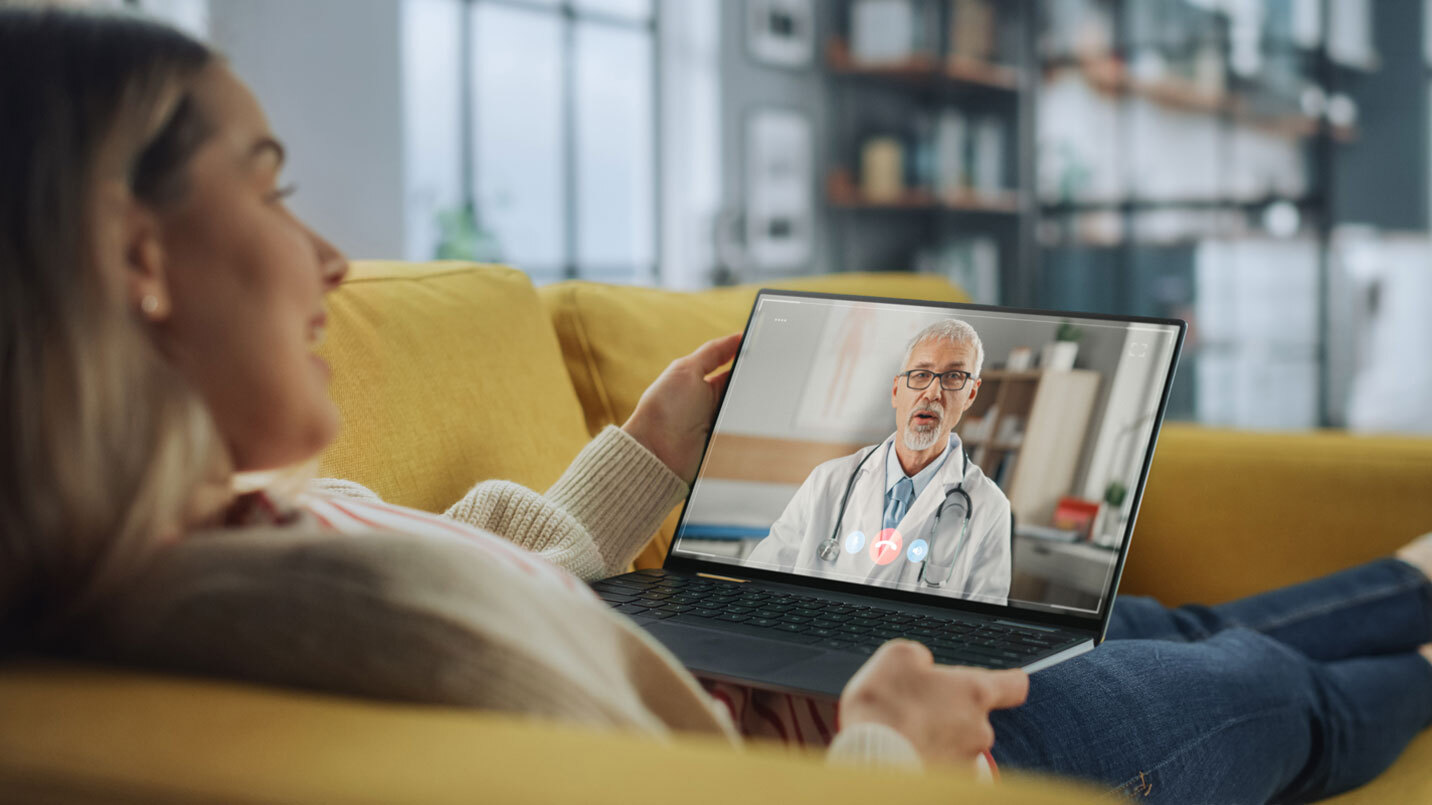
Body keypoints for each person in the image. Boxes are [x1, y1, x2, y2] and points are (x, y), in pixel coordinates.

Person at [2, 9, 1430, 803]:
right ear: (138, 256)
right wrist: (885, 745)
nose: (324, 256)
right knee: (1261, 693)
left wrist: (641, 460)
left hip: (756, 667)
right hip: (862, 746)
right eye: (267, 185)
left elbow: (532, 609)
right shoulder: (293, 619)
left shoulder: (248, 527)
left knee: (1151, 620)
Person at [747, 319, 1012, 603]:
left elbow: (986, 620)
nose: (933, 393)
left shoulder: (990, 506)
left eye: (954, 377)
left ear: (971, 393)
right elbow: (759, 581)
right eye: (921, 374)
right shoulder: (828, 480)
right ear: (896, 391)